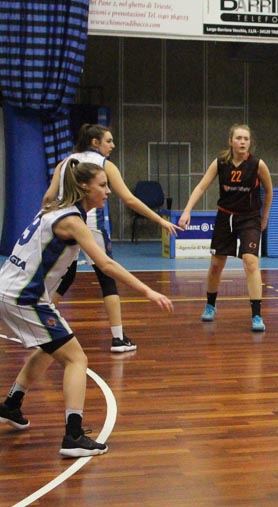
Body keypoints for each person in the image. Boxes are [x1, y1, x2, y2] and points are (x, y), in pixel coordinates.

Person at [0, 161, 173, 457]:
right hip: (24, 297)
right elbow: (105, 264)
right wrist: (147, 290)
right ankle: (73, 435)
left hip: (10, 289)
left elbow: (53, 250)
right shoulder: (72, 221)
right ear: (84, 187)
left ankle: (12, 405)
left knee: (50, 348)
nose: (108, 191)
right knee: (77, 359)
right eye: (102, 185)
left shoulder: (52, 209)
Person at [42, 124, 181, 353]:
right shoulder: (104, 165)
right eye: (109, 141)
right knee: (107, 278)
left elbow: (49, 197)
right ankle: (118, 338)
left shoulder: (64, 163)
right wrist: (160, 220)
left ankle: (44, 325)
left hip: (63, 222)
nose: (113, 145)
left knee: (66, 276)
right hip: (90, 225)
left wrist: (43, 222)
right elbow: (130, 200)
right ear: (95, 142)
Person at [179, 124, 273, 331]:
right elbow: (201, 186)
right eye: (238, 138)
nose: (242, 142)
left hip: (249, 218)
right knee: (216, 265)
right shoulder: (220, 163)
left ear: (250, 142)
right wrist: (187, 211)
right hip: (225, 217)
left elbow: (269, 191)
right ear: (230, 141)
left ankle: (257, 315)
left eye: (246, 138)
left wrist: (264, 217)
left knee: (250, 262)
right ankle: (210, 305)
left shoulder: (257, 164)